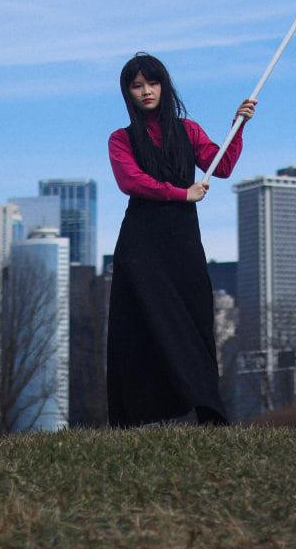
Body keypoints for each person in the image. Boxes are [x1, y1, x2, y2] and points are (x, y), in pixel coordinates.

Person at [106, 52, 256, 427]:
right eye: (136, 86)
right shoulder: (120, 139)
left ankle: (208, 411)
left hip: (183, 242)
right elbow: (130, 181)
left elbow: (219, 166)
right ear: (128, 93)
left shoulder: (187, 130)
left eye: (152, 83)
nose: (146, 92)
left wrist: (238, 126)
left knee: (195, 320)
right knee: (136, 326)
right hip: (140, 245)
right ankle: (131, 419)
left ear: (164, 86)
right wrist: (180, 193)